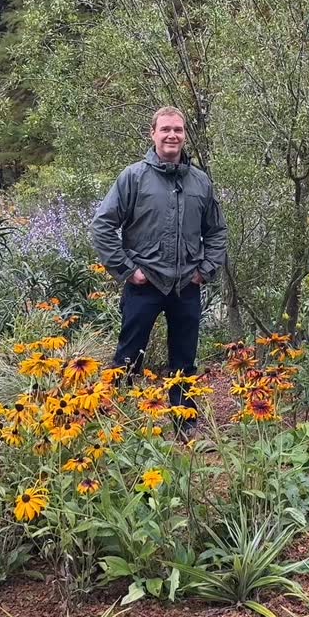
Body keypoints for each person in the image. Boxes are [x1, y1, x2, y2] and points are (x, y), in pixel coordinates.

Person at [91, 107, 227, 408]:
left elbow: (217, 232)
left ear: (185, 135)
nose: (172, 135)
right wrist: (128, 270)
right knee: (128, 358)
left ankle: (185, 427)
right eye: (165, 129)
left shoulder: (200, 182)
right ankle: (119, 422)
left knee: (185, 363)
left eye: (178, 129)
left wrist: (205, 271)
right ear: (153, 133)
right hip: (144, 284)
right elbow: (102, 225)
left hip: (187, 286)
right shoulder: (134, 177)